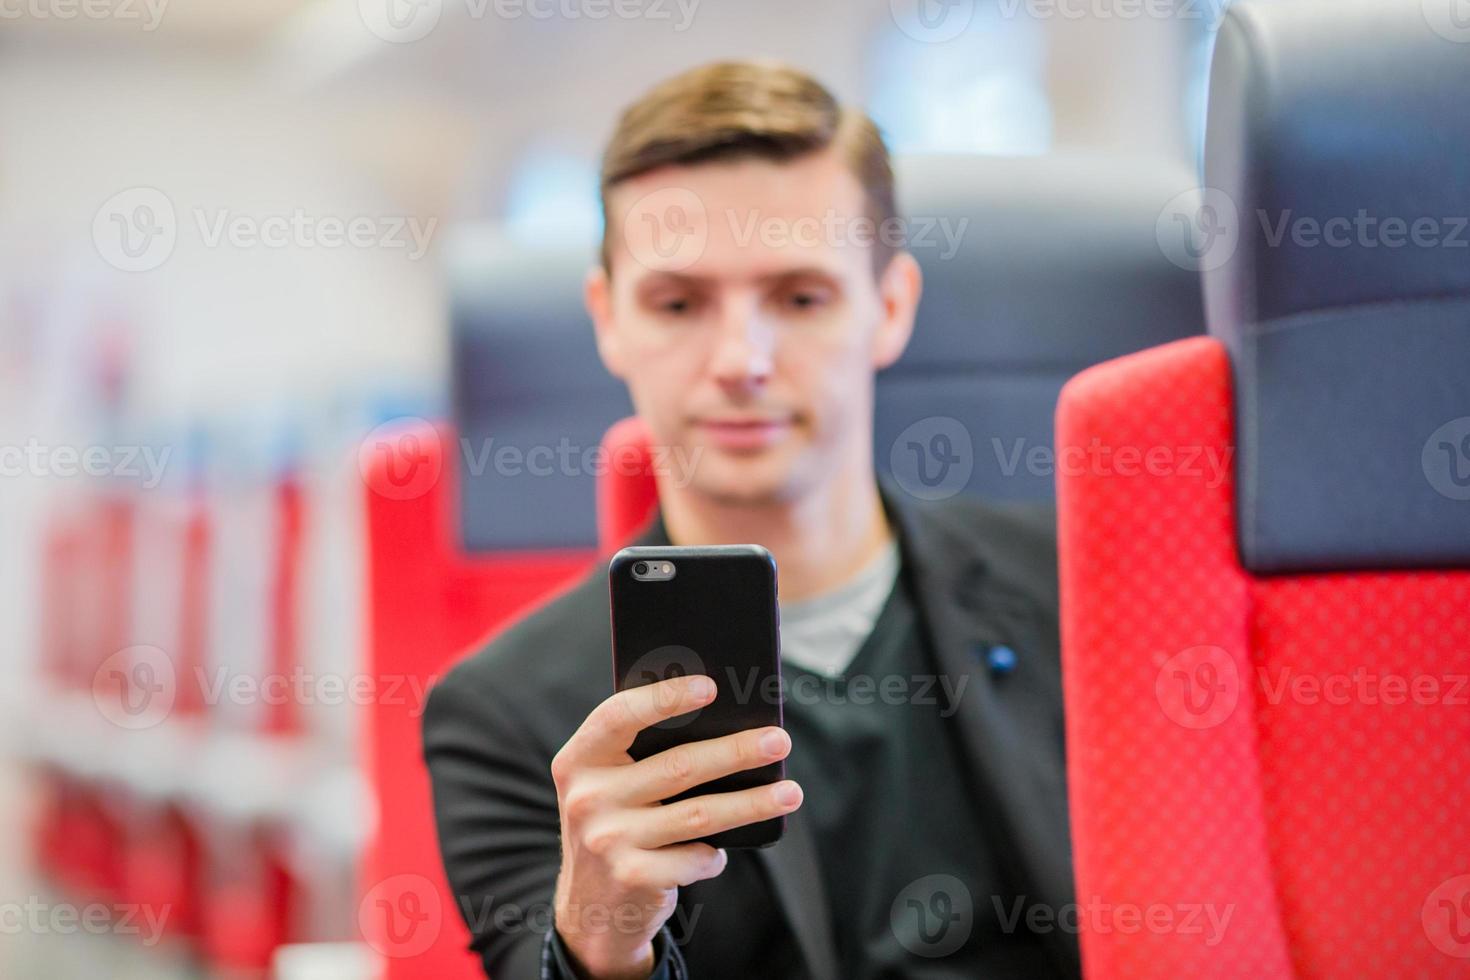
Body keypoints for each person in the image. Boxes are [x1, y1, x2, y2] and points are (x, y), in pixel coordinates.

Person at [423, 60, 1078, 980]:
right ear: (609, 321)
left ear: (889, 309)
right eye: (679, 303)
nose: (740, 359)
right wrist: (599, 944)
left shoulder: (1078, 595)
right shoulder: (509, 712)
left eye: (800, 298)